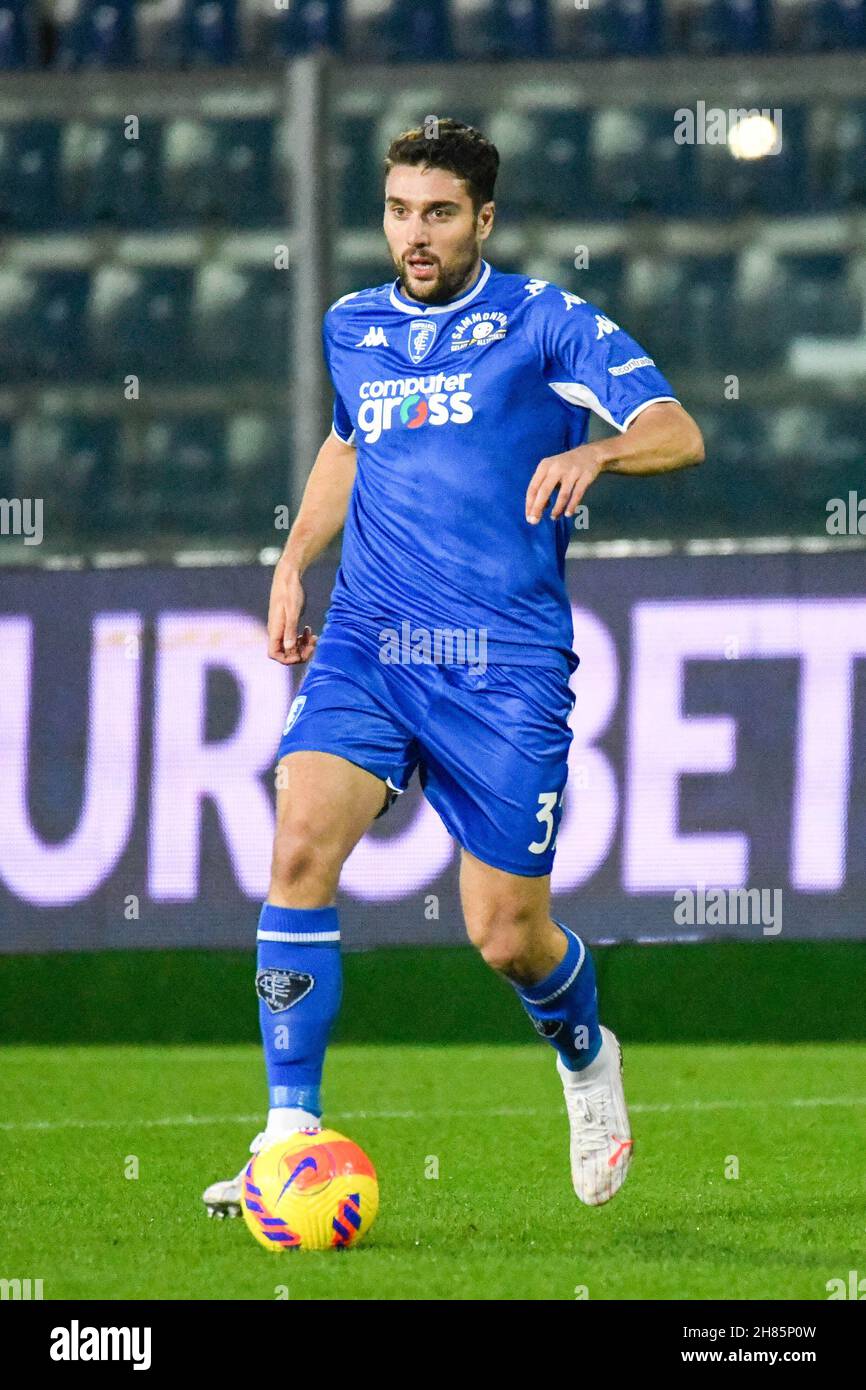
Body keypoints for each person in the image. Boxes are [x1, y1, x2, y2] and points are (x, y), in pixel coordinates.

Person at [202, 118, 704, 1221]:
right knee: (296, 843)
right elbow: (347, 444)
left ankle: (582, 1053)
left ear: (482, 217)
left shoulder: (544, 322)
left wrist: (596, 445)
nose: (413, 235)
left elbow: (676, 430)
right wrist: (293, 562)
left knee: (504, 936)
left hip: (501, 663)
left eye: (437, 213)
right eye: (396, 211)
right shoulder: (352, 325)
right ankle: (287, 1131)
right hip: (371, 641)